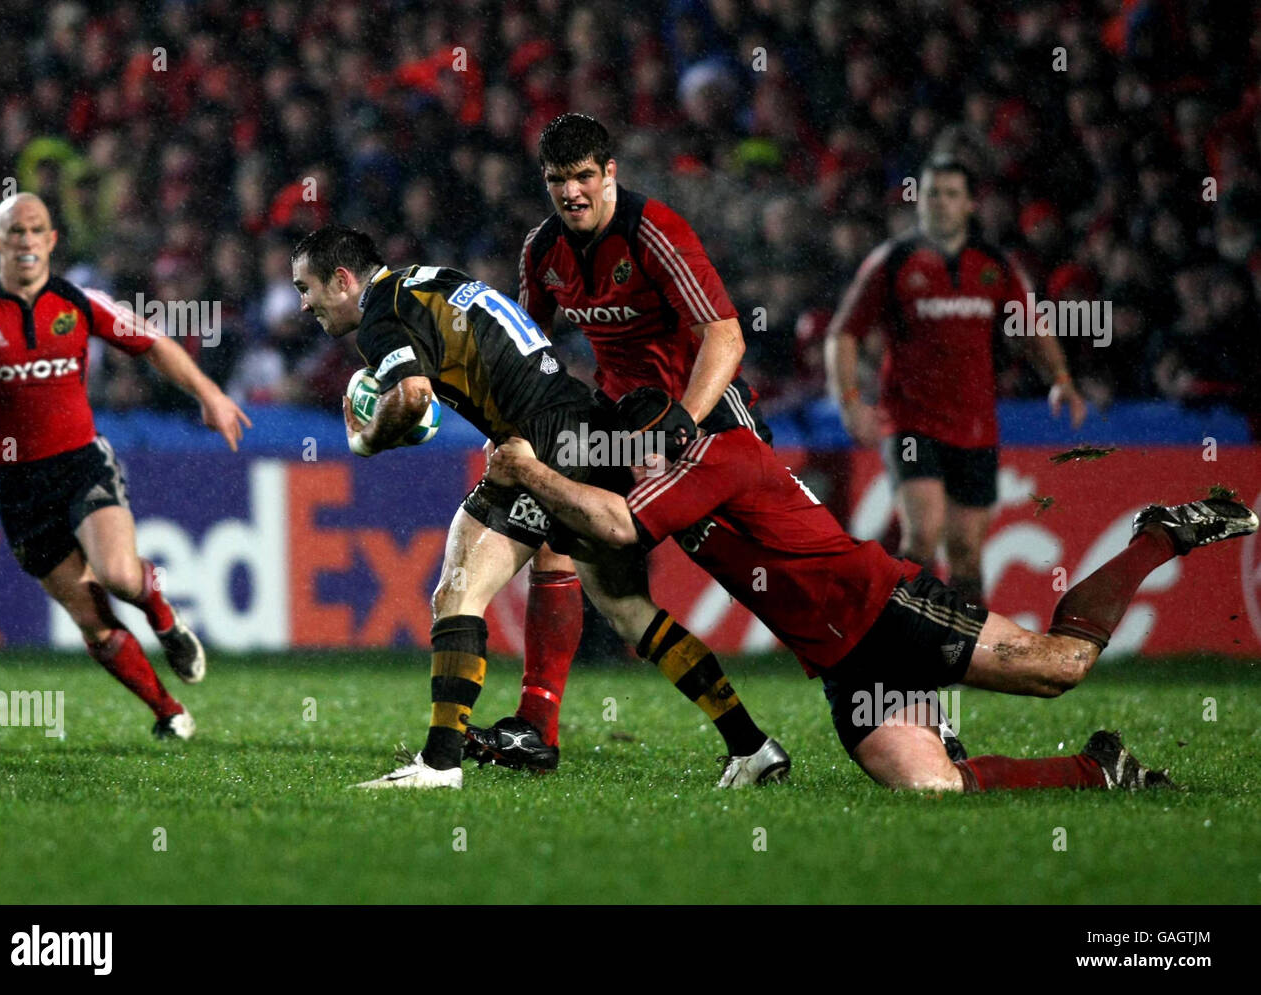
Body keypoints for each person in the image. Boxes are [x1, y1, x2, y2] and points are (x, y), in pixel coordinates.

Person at [484, 387, 1258, 791]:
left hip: (888, 605)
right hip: (845, 664)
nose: (656, 458)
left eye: (656, 446)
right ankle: (1101, 770)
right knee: (929, 788)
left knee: (1060, 667)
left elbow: (617, 526)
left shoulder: (721, 460)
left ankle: (1159, 536)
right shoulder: (673, 478)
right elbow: (609, 541)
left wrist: (526, 469)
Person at [289, 224, 786, 789]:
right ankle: (751, 744)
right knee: (626, 607)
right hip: (584, 426)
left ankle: (439, 763)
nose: (304, 304)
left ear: (343, 280)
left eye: (307, 288)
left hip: (538, 442)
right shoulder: (432, 281)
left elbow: (410, 398)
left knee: (458, 590)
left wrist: (366, 437)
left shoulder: (382, 310)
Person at [469, 112, 769, 768]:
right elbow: (532, 353)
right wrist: (516, 432)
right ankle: (537, 727)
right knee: (569, 547)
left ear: (610, 174)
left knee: (783, 577)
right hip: (621, 428)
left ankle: (910, 708)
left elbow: (725, 336)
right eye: (557, 180)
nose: (571, 191)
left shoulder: (654, 231)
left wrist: (681, 423)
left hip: (707, 421)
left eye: (583, 176)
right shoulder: (541, 252)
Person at [0, 193, 251, 739]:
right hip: (18, 488)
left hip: (80, 464)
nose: (26, 240)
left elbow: (152, 342)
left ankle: (163, 618)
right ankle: (170, 713)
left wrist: (207, 393)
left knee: (118, 575)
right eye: (14, 231)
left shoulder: (79, 301)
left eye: (36, 229)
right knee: (93, 623)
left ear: (51, 240)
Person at [826, 156, 1088, 606]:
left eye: (951, 194)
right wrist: (850, 400)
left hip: (975, 425)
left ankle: (965, 654)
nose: (940, 203)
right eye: (931, 193)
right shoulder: (893, 262)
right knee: (922, 537)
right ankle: (908, 646)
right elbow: (843, 333)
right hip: (910, 420)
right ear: (919, 201)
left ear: (969, 204)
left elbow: (1030, 327)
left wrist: (1061, 377)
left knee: (966, 553)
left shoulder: (993, 265)